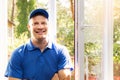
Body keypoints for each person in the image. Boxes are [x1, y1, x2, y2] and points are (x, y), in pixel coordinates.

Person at [5, 8, 73, 80]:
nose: (40, 27)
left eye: (43, 23)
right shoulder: (18, 54)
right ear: (29, 27)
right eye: (35, 23)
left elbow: (66, 78)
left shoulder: (61, 51)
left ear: (48, 25)